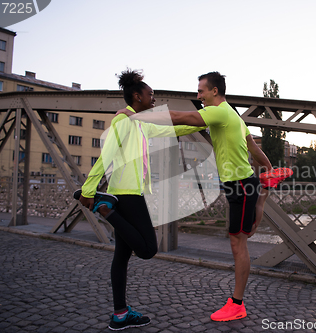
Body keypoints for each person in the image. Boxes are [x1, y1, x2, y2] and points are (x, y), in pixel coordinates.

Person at [118, 72, 273, 322]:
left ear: (214, 91)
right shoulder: (229, 115)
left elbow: (179, 116)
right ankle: (262, 196)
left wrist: (136, 114)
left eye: (201, 91)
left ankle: (237, 304)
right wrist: (269, 168)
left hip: (242, 185)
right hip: (241, 186)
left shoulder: (220, 111)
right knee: (245, 234)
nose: (198, 95)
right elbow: (251, 146)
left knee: (238, 243)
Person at [76, 69, 205, 330]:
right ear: (137, 96)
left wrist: (205, 121)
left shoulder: (140, 125)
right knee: (147, 249)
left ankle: (120, 315)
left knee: (121, 257)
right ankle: (105, 210)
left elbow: (173, 128)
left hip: (129, 193)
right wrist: (89, 191)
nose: (154, 99)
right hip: (125, 194)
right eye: (151, 95)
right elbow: (105, 156)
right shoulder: (122, 122)